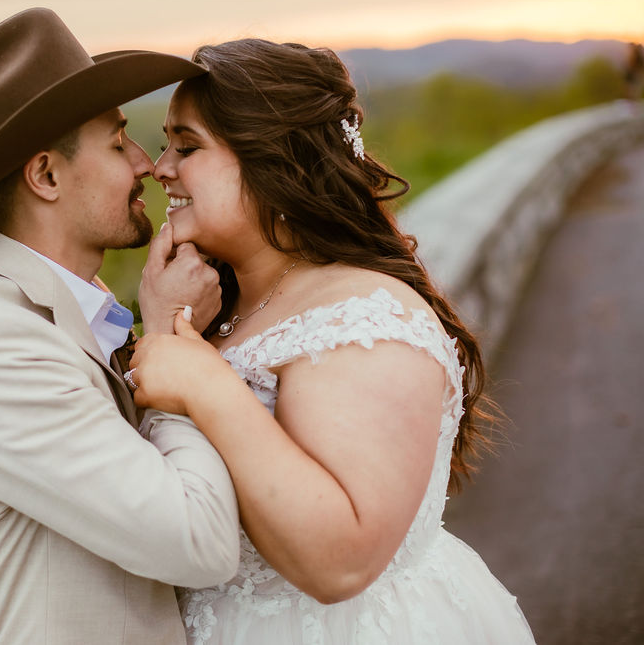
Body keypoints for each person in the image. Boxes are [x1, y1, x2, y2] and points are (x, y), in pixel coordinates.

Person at [125, 39, 537, 644]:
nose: (160, 167)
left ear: (275, 162)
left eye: (186, 146)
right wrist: (165, 323)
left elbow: (340, 560)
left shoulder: (363, 319)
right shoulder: (217, 307)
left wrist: (207, 383)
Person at [0, 8, 240, 644]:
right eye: (117, 142)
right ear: (46, 175)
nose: (144, 163)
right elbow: (199, 542)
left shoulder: (65, 307)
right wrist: (168, 341)